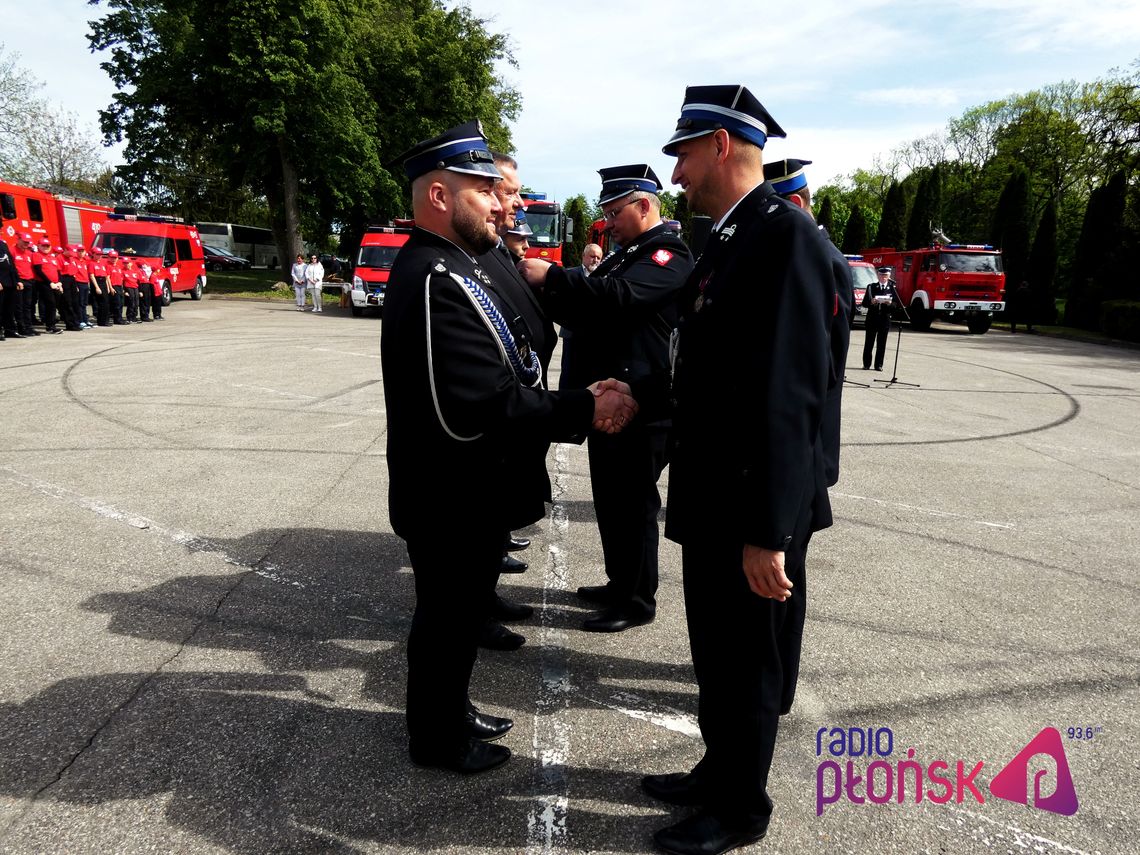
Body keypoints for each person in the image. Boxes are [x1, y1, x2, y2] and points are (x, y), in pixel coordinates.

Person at [380, 121, 637, 775]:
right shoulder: (433, 276)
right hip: (449, 491)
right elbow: (479, 403)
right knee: (445, 621)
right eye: (482, 191)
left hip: (470, 487)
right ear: (438, 196)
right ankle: (436, 738)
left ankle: (451, 710)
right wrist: (585, 405)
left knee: (461, 617)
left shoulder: (453, 264)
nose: (498, 203)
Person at [645, 84, 836, 855]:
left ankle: (740, 808)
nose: (679, 173)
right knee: (716, 656)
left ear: (721, 145)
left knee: (748, 663)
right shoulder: (730, 237)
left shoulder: (784, 238)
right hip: (713, 494)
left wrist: (769, 531)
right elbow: (708, 367)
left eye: (685, 153)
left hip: (752, 505)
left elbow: (790, 397)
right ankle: (717, 768)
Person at [518, 164, 693, 633]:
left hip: (643, 403)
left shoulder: (668, 254)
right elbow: (590, 301)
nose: (609, 223)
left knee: (633, 505)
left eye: (616, 212)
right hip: (609, 399)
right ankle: (620, 583)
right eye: (606, 214)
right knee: (612, 502)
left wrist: (553, 277)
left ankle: (636, 600)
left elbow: (620, 297)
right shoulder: (627, 253)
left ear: (644, 205)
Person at [473, 149, 559, 651]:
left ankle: (485, 597)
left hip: (521, 403)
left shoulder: (498, 252)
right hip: (503, 413)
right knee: (484, 522)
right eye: (506, 192)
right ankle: (478, 609)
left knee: (496, 519)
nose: (514, 203)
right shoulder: (478, 257)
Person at [764, 157, 852, 486]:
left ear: (796, 205)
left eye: (769, 211)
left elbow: (822, 365)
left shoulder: (824, 262)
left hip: (804, 445)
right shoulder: (792, 257)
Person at [862, 266, 899, 370]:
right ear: (878, 276)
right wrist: (871, 302)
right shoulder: (871, 287)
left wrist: (890, 303)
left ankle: (878, 365)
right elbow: (864, 303)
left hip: (884, 319)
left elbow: (896, 305)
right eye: (881, 275)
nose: (883, 277)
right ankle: (866, 364)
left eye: (885, 276)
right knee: (869, 342)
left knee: (881, 344)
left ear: (889, 276)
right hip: (872, 319)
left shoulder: (892, 288)